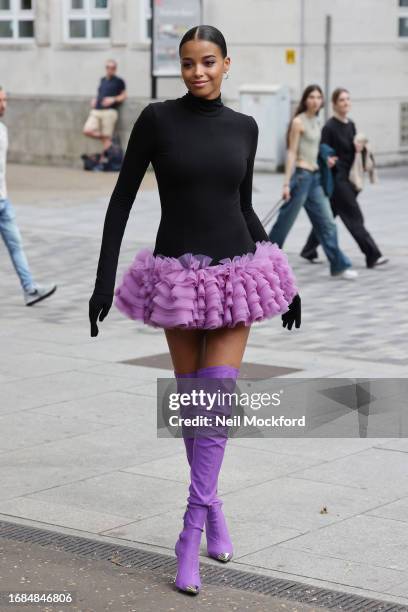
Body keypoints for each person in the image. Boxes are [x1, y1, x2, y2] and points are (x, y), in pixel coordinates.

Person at [88, 25, 301, 596]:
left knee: (216, 400)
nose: (197, 72)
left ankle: (189, 532)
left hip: (237, 274)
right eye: (188, 63)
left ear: (226, 64)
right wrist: (103, 281)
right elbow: (121, 200)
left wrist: (285, 277)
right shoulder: (157, 120)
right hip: (177, 277)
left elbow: (244, 205)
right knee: (193, 407)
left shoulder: (246, 127)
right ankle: (213, 508)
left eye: (208, 62)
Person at [268, 84, 358, 280]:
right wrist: (285, 184)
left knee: (327, 224)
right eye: (311, 97)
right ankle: (263, 263)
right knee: (284, 223)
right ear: (305, 100)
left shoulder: (317, 121)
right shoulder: (298, 122)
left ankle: (339, 265)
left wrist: (325, 159)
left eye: (318, 97)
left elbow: (315, 149)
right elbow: (291, 152)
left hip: (316, 179)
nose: (315, 100)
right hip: (301, 177)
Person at [300, 88, 388, 269]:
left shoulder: (351, 124)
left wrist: (359, 148)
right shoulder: (329, 127)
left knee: (326, 218)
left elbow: (352, 150)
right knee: (355, 217)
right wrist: (328, 157)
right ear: (334, 104)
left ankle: (309, 249)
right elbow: (321, 148)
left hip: (349, 179)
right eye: (342, 100)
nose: (346, 103)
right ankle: (372, 255)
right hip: (337, 181)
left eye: (348, 99)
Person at [0, 86, 57, 306]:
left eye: (5, 100)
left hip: (4, 201)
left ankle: (30, 289)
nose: (4, 104)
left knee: (16, 245)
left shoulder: (3, 130)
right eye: (0, 100)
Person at [82, 59, 127, 154]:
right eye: (108, 67)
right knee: (87, 130)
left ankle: (108, 160)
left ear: (115, 69)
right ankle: (111, 144)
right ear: (106, 68)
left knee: (106, 137)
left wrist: (113, 99)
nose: (110, 69)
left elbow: (124, 96)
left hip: (109, 111)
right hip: (97, 110)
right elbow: (100, 94)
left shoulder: (119, 81)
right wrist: (95, 99)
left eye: (112, 68)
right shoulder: (102, 80)